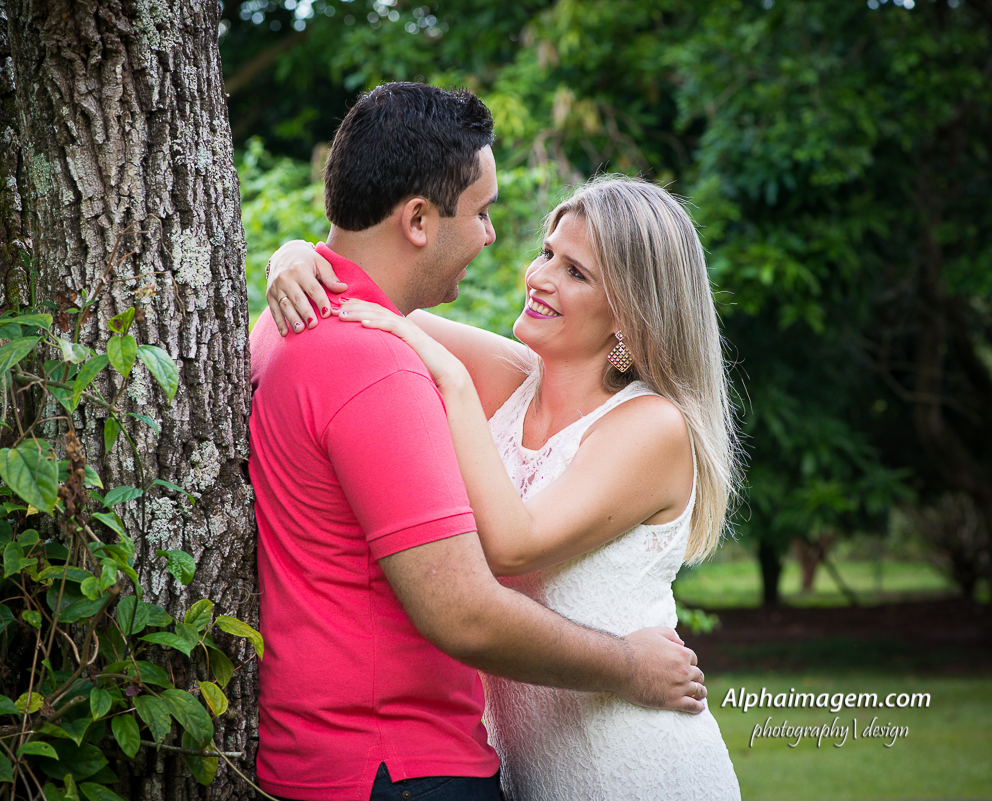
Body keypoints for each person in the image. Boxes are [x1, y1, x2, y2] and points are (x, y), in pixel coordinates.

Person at [249, 83, 707, 801]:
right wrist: (292, 256)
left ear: (631, 317)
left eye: (575, 271)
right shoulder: (514, 378)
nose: (534, 272)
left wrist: (630, 666)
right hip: (505, 754)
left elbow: (515, 545)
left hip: (622, 744)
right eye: (548, 251)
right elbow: (356, 295)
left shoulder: (647, 424)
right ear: (422, 219)